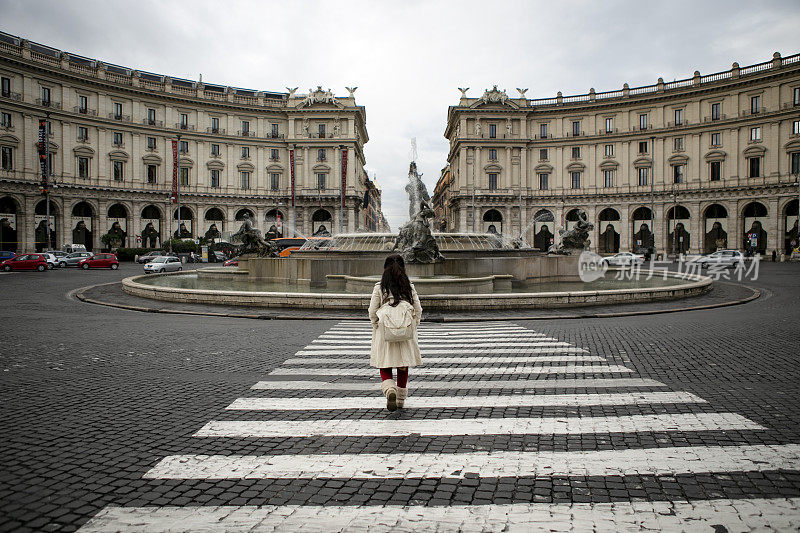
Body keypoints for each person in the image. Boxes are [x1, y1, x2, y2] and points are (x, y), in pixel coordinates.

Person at [368, 254, 422, 411]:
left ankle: (390, 388)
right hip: (405, 331)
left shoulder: (380, 287)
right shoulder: (409, 286)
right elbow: (418, 309)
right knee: (402, 364)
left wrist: (376, 325)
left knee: (384, 362)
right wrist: (413, 325)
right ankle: (400, 399)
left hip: (385, 332)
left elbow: (372, 310)